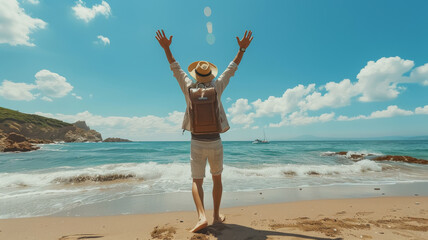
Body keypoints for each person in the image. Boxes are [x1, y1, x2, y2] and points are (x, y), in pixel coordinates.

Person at [155, 29, 253, 233]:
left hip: (196, 141)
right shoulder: (217, 86)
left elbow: (175, 67)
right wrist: (242, 48)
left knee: (196, 181)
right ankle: (216, 216)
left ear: (196, 74)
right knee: (217, 178)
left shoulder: (188, 85)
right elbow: (232, 68)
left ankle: (201, 216)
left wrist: (166, 48)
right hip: (215, 141)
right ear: (210, 74)